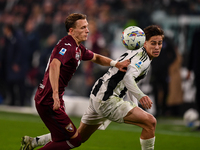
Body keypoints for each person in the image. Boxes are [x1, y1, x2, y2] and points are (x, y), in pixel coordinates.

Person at [20, 25, 164, 150]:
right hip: (108, 99)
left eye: (159, 43)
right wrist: (141, 96)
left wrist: (134, 105)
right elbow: (128, 78)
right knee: (150, 122)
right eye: (153, 43)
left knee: (78, 137)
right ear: (144, 43)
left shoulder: (137, 52)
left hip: (99, 94)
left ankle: (34, 141)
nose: (157, 47)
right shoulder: (142, 59)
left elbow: (131, 80)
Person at [186, 27, 200, 131]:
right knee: (199, 96)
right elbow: (193, 50)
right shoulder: (197, 31)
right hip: (198, 69)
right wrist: (189, 69)